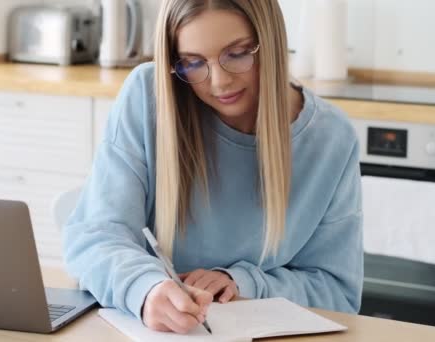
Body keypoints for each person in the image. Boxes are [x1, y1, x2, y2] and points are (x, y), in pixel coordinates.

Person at [62, 0, 363, 334]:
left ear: (272, 41)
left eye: (237, 53)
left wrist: (245, 283)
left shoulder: (331, 140)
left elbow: (337, 294)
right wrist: (145, 289)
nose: (219, 82)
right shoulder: (149, 96)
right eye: (193, 63)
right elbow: (96, 236)